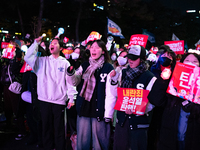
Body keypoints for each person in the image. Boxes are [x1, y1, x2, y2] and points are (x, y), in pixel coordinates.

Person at [24, 37, 77, 150]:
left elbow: (70, 82)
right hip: (44, 100)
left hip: (59, 101)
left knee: (59, 129)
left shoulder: (65, 63)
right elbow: (27, 57)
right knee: (46, 128)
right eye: (51, 43)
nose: (51, 45)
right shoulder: (42, 61)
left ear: (61, 48)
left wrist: (72, 98)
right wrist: (35, 43)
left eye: (55, 43)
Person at [67, 40, 115, 150]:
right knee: (83, 141)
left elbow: (111, 92)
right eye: (92, 47)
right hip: (84, 107)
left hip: (99, 110)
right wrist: (70, 74)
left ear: (103, 51)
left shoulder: (108, 68)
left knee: (99, 143)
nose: (93, 49)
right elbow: (75, 81)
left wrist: (115, 78)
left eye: (97, 48)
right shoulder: (84, 65)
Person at [148, 52, 200, 150]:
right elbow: (156, 100)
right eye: (187, 61)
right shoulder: (172, 83)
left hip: (193, 140)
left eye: (195, 62)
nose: (191, 64)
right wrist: (163, 80)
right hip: (169, 140)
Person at [110, 45, 157, 150]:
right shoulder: (123, 72)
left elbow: (152, 102)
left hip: (139, 124)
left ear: (142, 59)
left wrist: (139, 110)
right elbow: (115, 94)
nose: (130, 60)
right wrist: (113, 80)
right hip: (122, 121)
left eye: (134, 58)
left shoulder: (150, 78)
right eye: (129, 57)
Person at [148, 45, 176, 150]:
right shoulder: (153, 72)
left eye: (169, 57)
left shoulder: (174, 75)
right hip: (152, 109)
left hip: (167, 109)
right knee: (151, 132)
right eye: (164, 56)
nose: (166, 58)